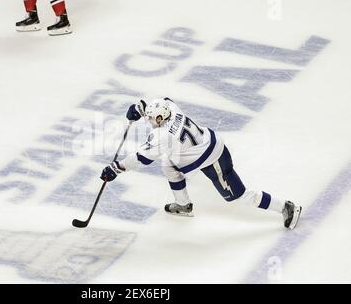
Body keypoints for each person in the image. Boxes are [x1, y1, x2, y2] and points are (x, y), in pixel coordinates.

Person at [100, 97, 302, 229]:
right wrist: (141, 108)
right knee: (168, 165)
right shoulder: (171, 109)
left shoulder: (162, 136)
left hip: (212, 158)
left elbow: (140, 158)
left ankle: (285, 206)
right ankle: (183, 204)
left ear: (160, 118)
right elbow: (164, 100)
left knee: (238, 196)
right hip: (204, 145)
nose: (148, 121)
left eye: (151, 119)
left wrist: (115, 168)